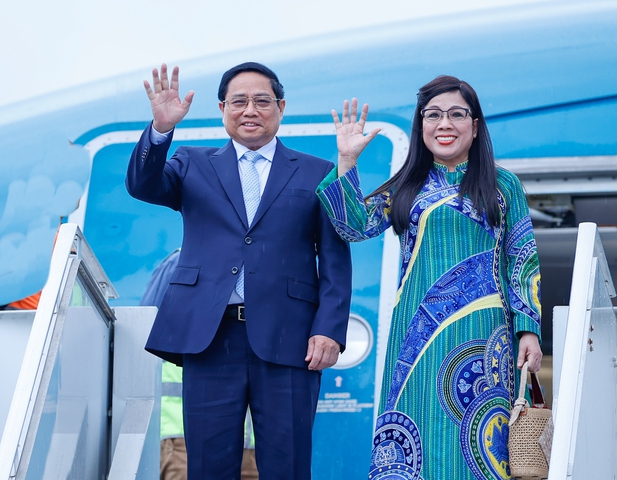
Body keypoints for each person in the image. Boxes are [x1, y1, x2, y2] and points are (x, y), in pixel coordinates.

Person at [125, 62, 352, 480]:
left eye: (262, 101)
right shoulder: (192, 163)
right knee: (209, 467)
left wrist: (329, 330)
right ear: (222, 109)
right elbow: (143, 185)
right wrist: (160, 130)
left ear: (281, 107)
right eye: (239, 101)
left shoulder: (317, 171)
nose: (250, 110)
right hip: (211, 337)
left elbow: (335, 259)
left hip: (290, 337)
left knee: (288, 465)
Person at [316, 76, 543, 479]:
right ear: (421, 125)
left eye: (457, 114)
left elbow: (522, 261)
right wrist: (347, 161)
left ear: (475, 125)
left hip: (485, 335)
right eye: (433, 115)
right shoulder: (406, 184)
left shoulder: (503, 184)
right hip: (414, 338)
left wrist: (529, 331)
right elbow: (353, 227)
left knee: (482, 440)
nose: (445, 124)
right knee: (416, 420)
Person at [139, 249, 259, 480]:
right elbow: (145, 333)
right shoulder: (183, 261)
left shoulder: (261, 260)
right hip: (185, 438)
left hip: (250, 444)